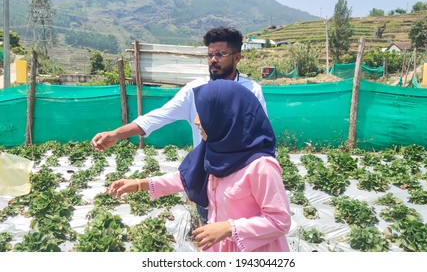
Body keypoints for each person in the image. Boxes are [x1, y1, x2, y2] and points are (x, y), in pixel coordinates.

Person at [91, 26, 267, 225]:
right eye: (210, 55)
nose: (213, 60)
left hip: (241, 181)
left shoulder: (251, 91)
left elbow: (258, 137)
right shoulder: (195, 90)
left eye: (220, 54)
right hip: (207, 177)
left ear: (237, 58)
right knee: (211, 234)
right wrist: (116, 134)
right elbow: (158, 116)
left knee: (240, 235)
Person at [108, 80, 291, 252]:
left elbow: (280, 221)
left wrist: (229, 228)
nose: (196, 121)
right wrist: (140, 184)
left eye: (204, 114)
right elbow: (186, 177)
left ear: (226, 118)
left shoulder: (261, 166)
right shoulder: (214, 151)